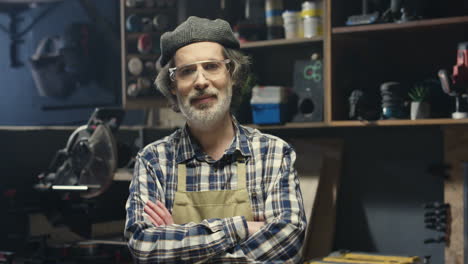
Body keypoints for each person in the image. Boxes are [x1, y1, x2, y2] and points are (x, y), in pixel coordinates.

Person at [124, 16, 306, 263]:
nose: (201, 81)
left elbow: (287, 241)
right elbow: (144, 246)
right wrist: (240, 228)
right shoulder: (153, 161)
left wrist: (179, 244)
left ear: (232, 73)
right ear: (173, 86)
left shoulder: (273, 153)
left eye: (211, 66)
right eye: (187, 71)